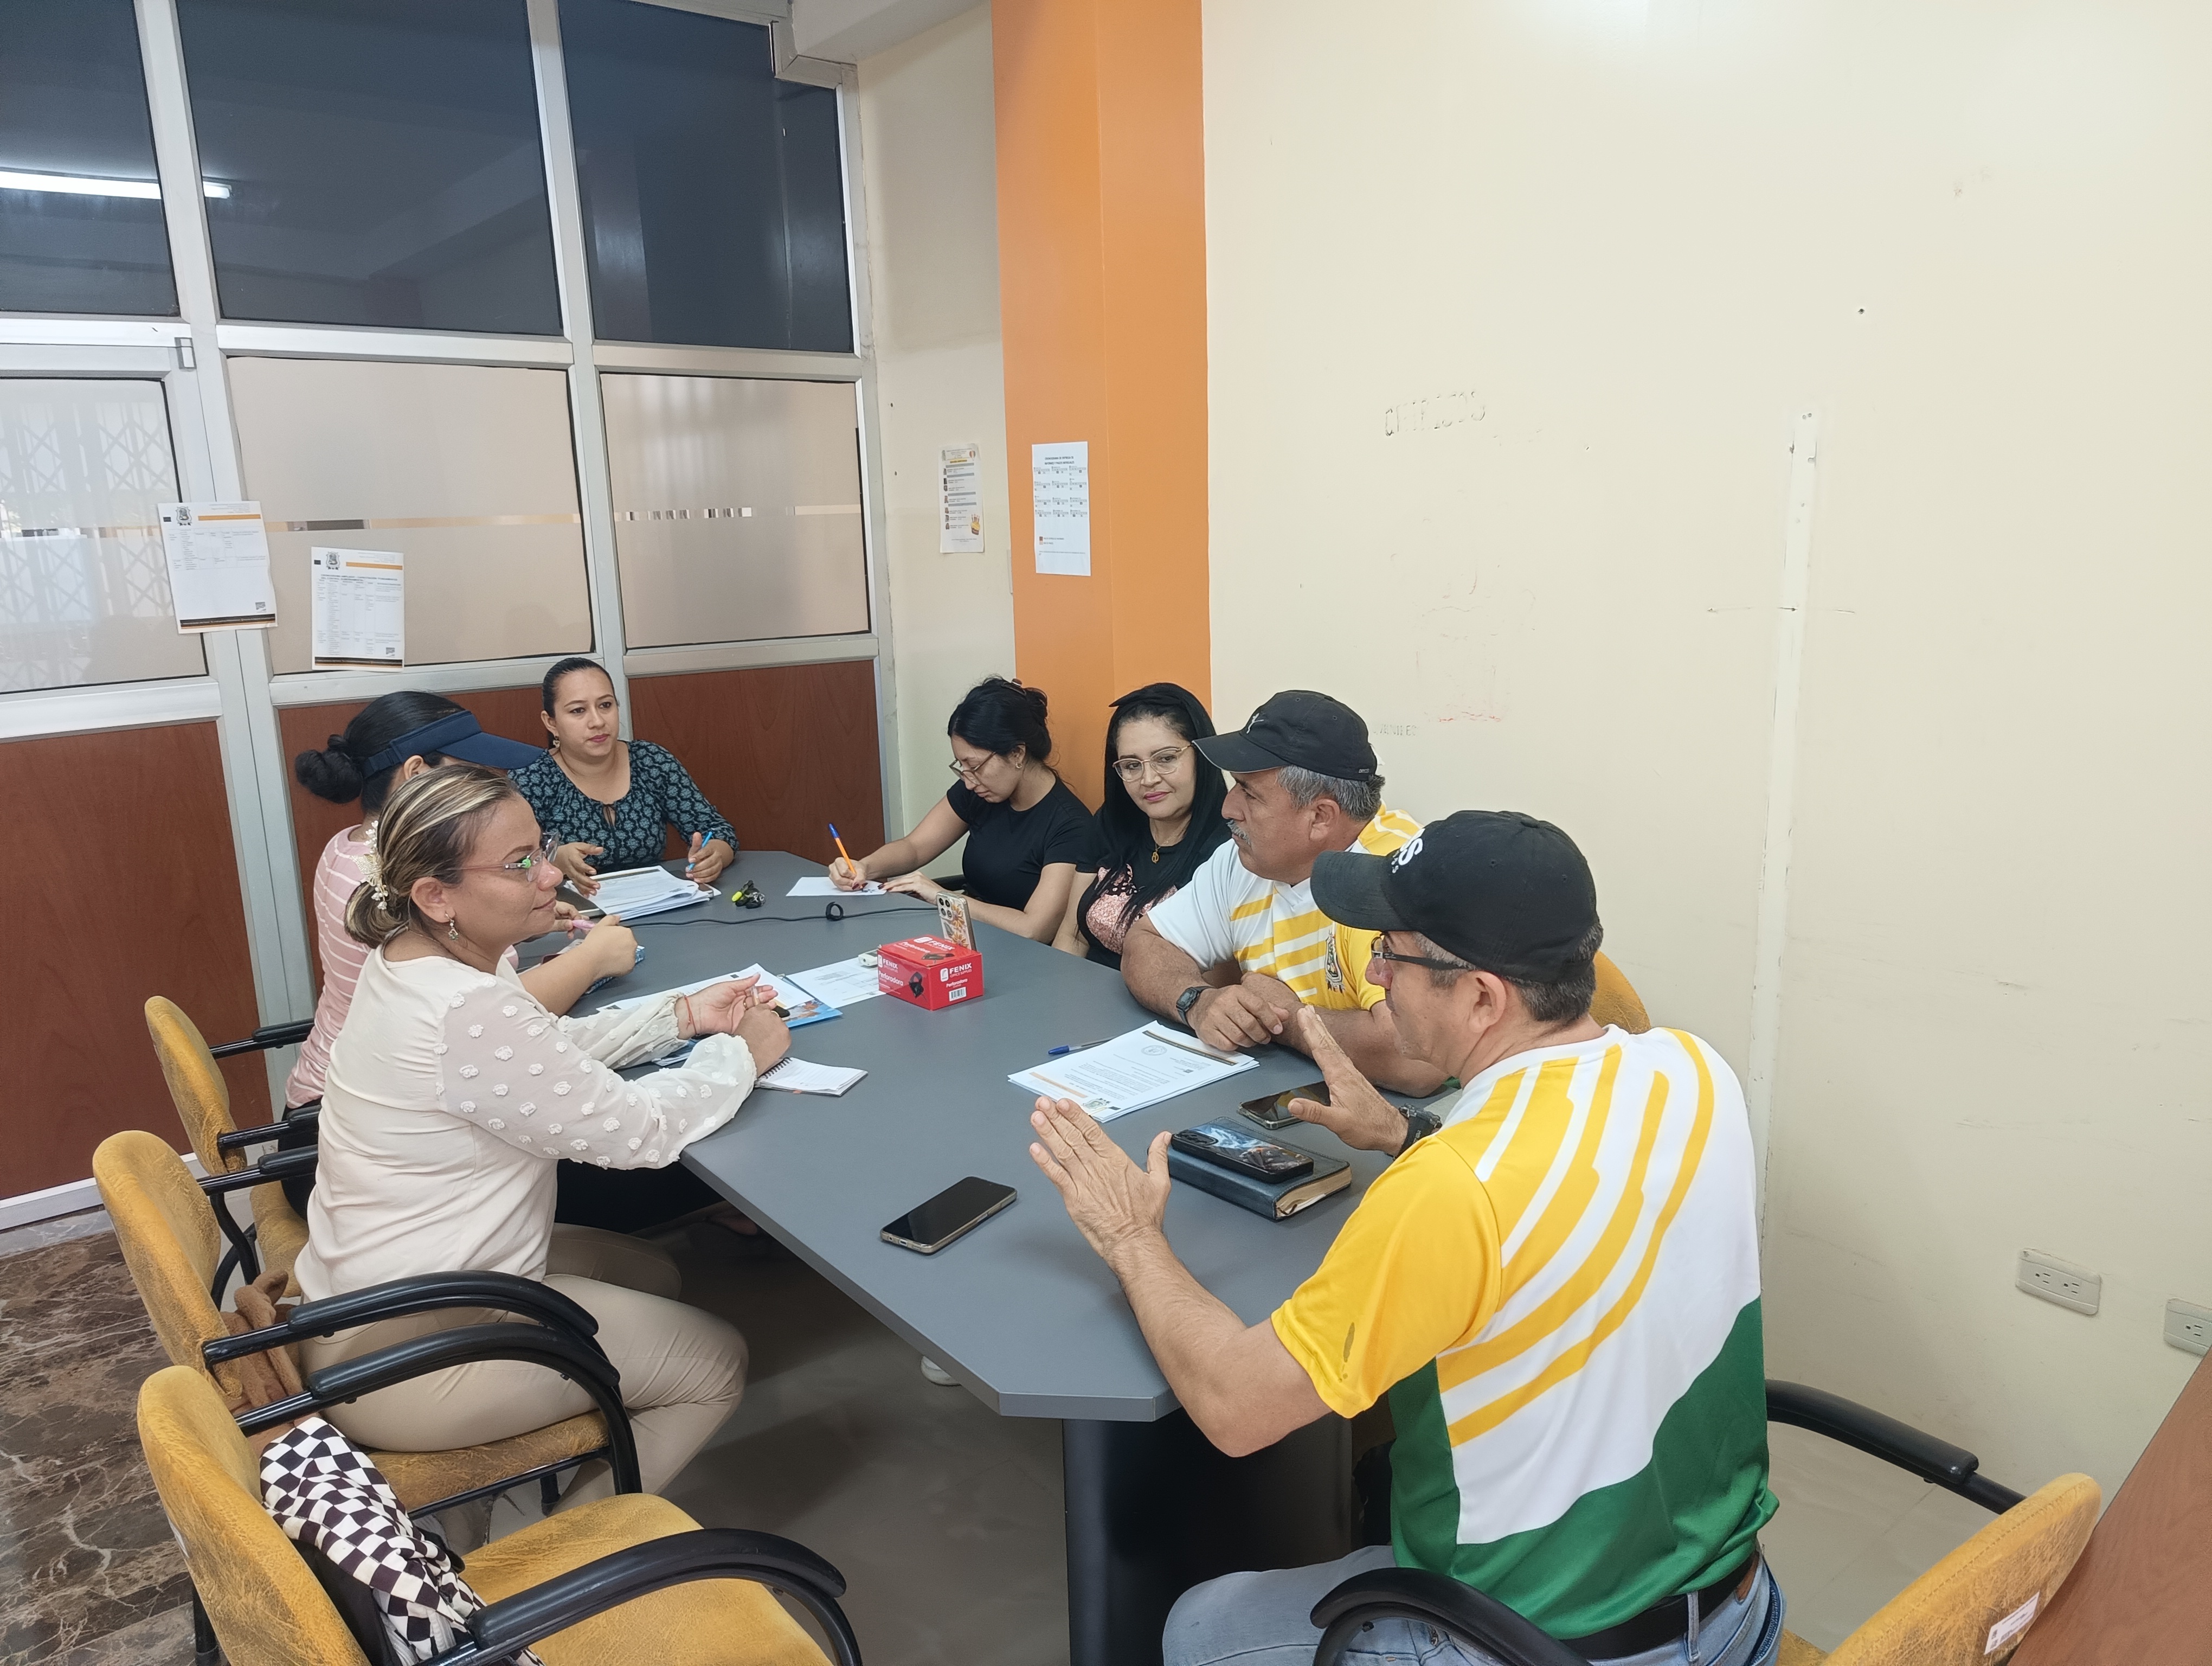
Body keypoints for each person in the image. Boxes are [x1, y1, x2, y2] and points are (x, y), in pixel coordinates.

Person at [1026, 811, 1783, 1666]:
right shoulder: (1693, 1070)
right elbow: (1559, 1194)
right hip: (1736, 1604)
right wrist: (1401, 1134)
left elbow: (1237, 1408)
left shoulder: (1451, 1190)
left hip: (1549, 1644)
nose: (1374, 974)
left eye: (1392, 953)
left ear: (1483, 997)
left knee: (1198, 1629)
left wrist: (1131, 1236)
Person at [293, 765, 790, 1515]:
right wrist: (743, 1052)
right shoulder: (462, 1006)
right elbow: (641, 1132)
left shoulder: (414, 958)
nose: (550, 874)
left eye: (541, 848)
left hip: (371, 1296)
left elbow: (541, 1057)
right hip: (405, 1352)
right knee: (715, 1363)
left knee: (651, 1272)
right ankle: (564, 1558)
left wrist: (684, 1017)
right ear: (436, 895)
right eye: (519, 863)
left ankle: (561, 1438)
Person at [287, 693, 640, 1112]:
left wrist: (520, 918)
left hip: (363, 1079)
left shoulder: (351, 848)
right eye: (474, 773)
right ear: (416, 773)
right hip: (363, 1105)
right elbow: (487, 1019)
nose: (489, 785)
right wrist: (593, 959)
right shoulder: (392, 882)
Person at [1120, 689, 1443, 1094]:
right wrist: (1197, 1002)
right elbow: (1146, 942)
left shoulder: (1395, 876)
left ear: (1320, 817)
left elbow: (1417, 1063)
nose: (1228, 808)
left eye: (1250, 793)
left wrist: (1286, 1018)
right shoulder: (1246, 858)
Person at [828, 676, 1089, 941]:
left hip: (1017, 950)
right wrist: (864, 867)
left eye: (974, 766)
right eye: (961, 766)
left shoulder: (1071, 826)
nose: (968, 780)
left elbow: (1033, 929)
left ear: (1017, 754)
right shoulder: (981, 790)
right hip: (964, 935)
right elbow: (915, 847)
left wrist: (944, 897)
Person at [512, 657, 739, 892]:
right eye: (578, 711)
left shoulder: (650, 761)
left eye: (605, 705)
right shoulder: (533, 780)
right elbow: (510, 864)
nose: (598, 721)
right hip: (570, 911)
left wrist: (714, 856)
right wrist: (553, 858)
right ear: (551, 722)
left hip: (656, 904)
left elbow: (718, 830)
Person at [1052, 682, 1231, 970]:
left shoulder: (1229, 849)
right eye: (1132, 765)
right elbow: (1072, 938)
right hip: (1083, 989)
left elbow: (1217, 977)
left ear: (1201, 755)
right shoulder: (1112, 822)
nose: (1148, 780)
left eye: (1166, 758)